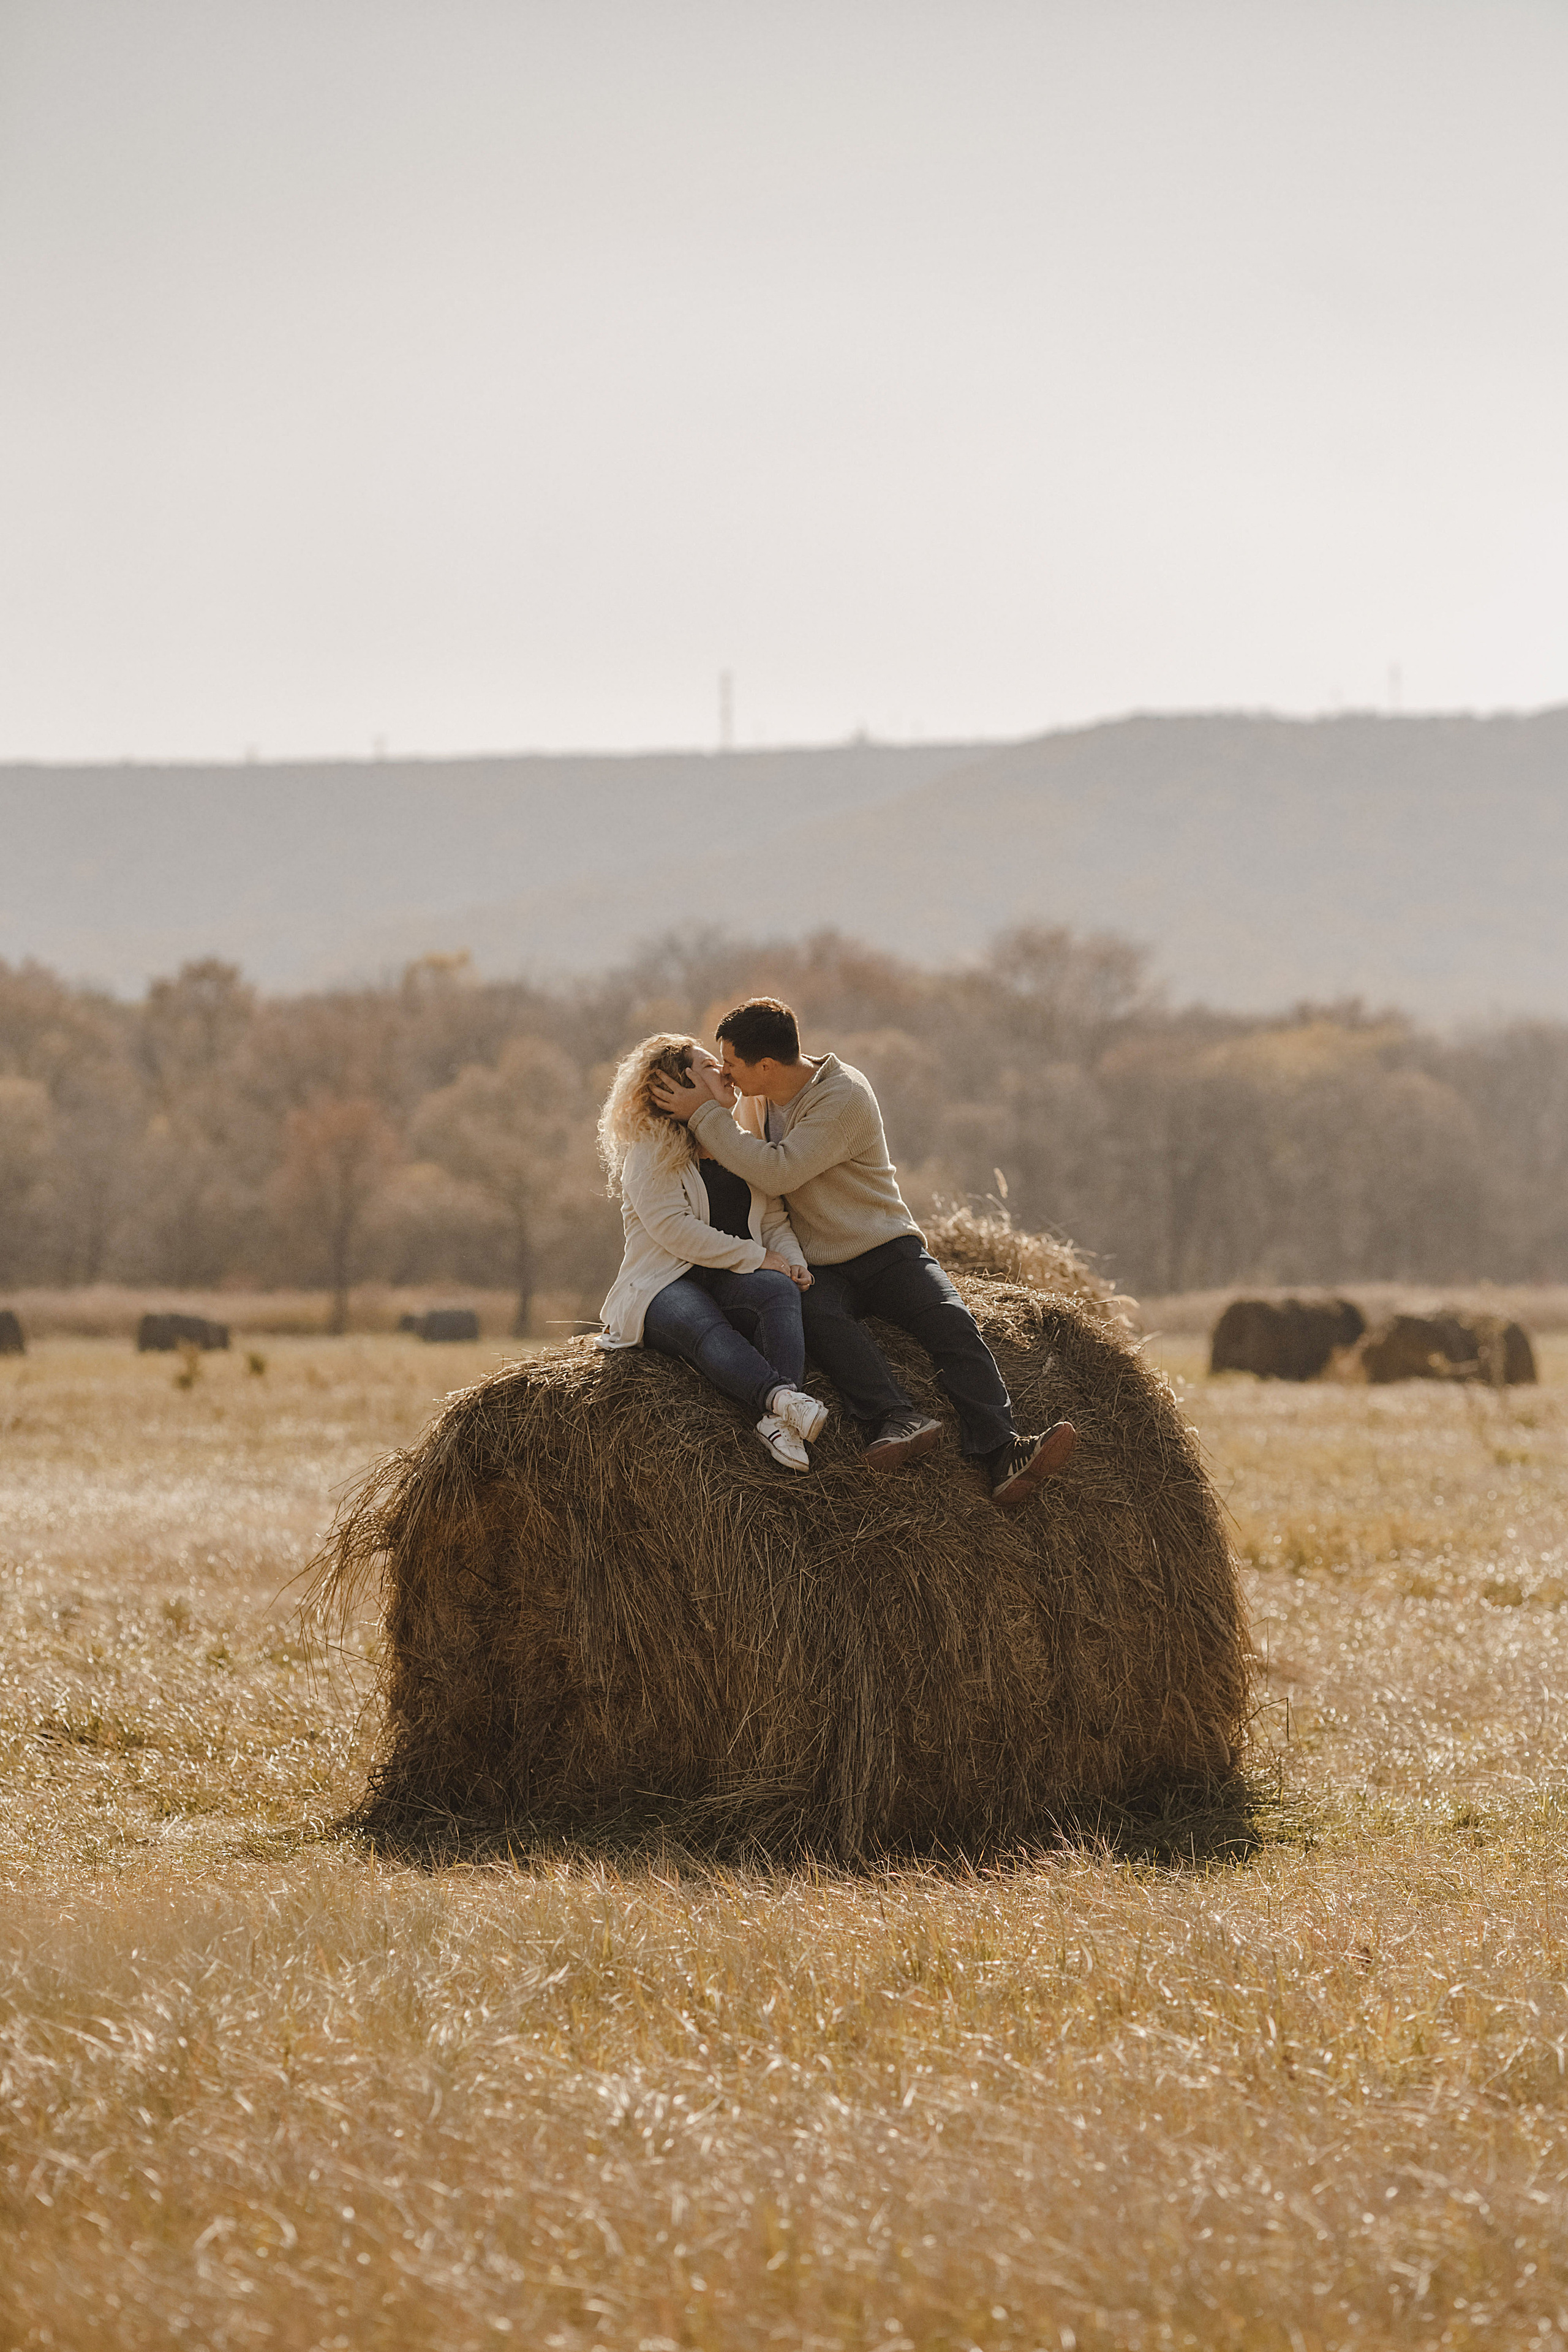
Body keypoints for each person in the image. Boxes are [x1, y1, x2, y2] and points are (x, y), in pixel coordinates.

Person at [651, 997, 1076, 1507]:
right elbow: (741, 1156)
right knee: (821, 1321)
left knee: (950, 1321)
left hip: (884, 1245)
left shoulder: (844, 1096)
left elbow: (777, 1171)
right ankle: (896, 1419)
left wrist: (701, 1113)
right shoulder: (755, 1100)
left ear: (765, 1066)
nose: (726, 1073)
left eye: (732, 1063)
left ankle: (1004, 1449)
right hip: (823, 1263)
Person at [596, 1032, 831, 1471]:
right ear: (679, 1082)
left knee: (779, 1291)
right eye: (708, 1065)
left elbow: (773, 1220)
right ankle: (783, 1400)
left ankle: (779, 1426)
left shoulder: (737, 1141)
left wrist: (792, 1262)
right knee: (698, 1319)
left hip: (728, 1277)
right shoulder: (650, 1147)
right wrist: (757, 1258)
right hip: (663, 1283)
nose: (724, 1071)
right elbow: (674, 1229)